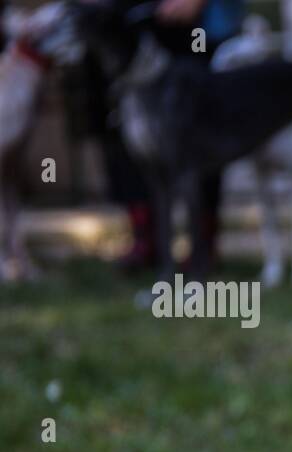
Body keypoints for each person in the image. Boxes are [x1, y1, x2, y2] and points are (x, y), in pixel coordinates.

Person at [86, 0, 245, 272]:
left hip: (191, 25)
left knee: (198, 126)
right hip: (123, 15)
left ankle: (202, 243)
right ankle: (146, 237)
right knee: (121, 124)